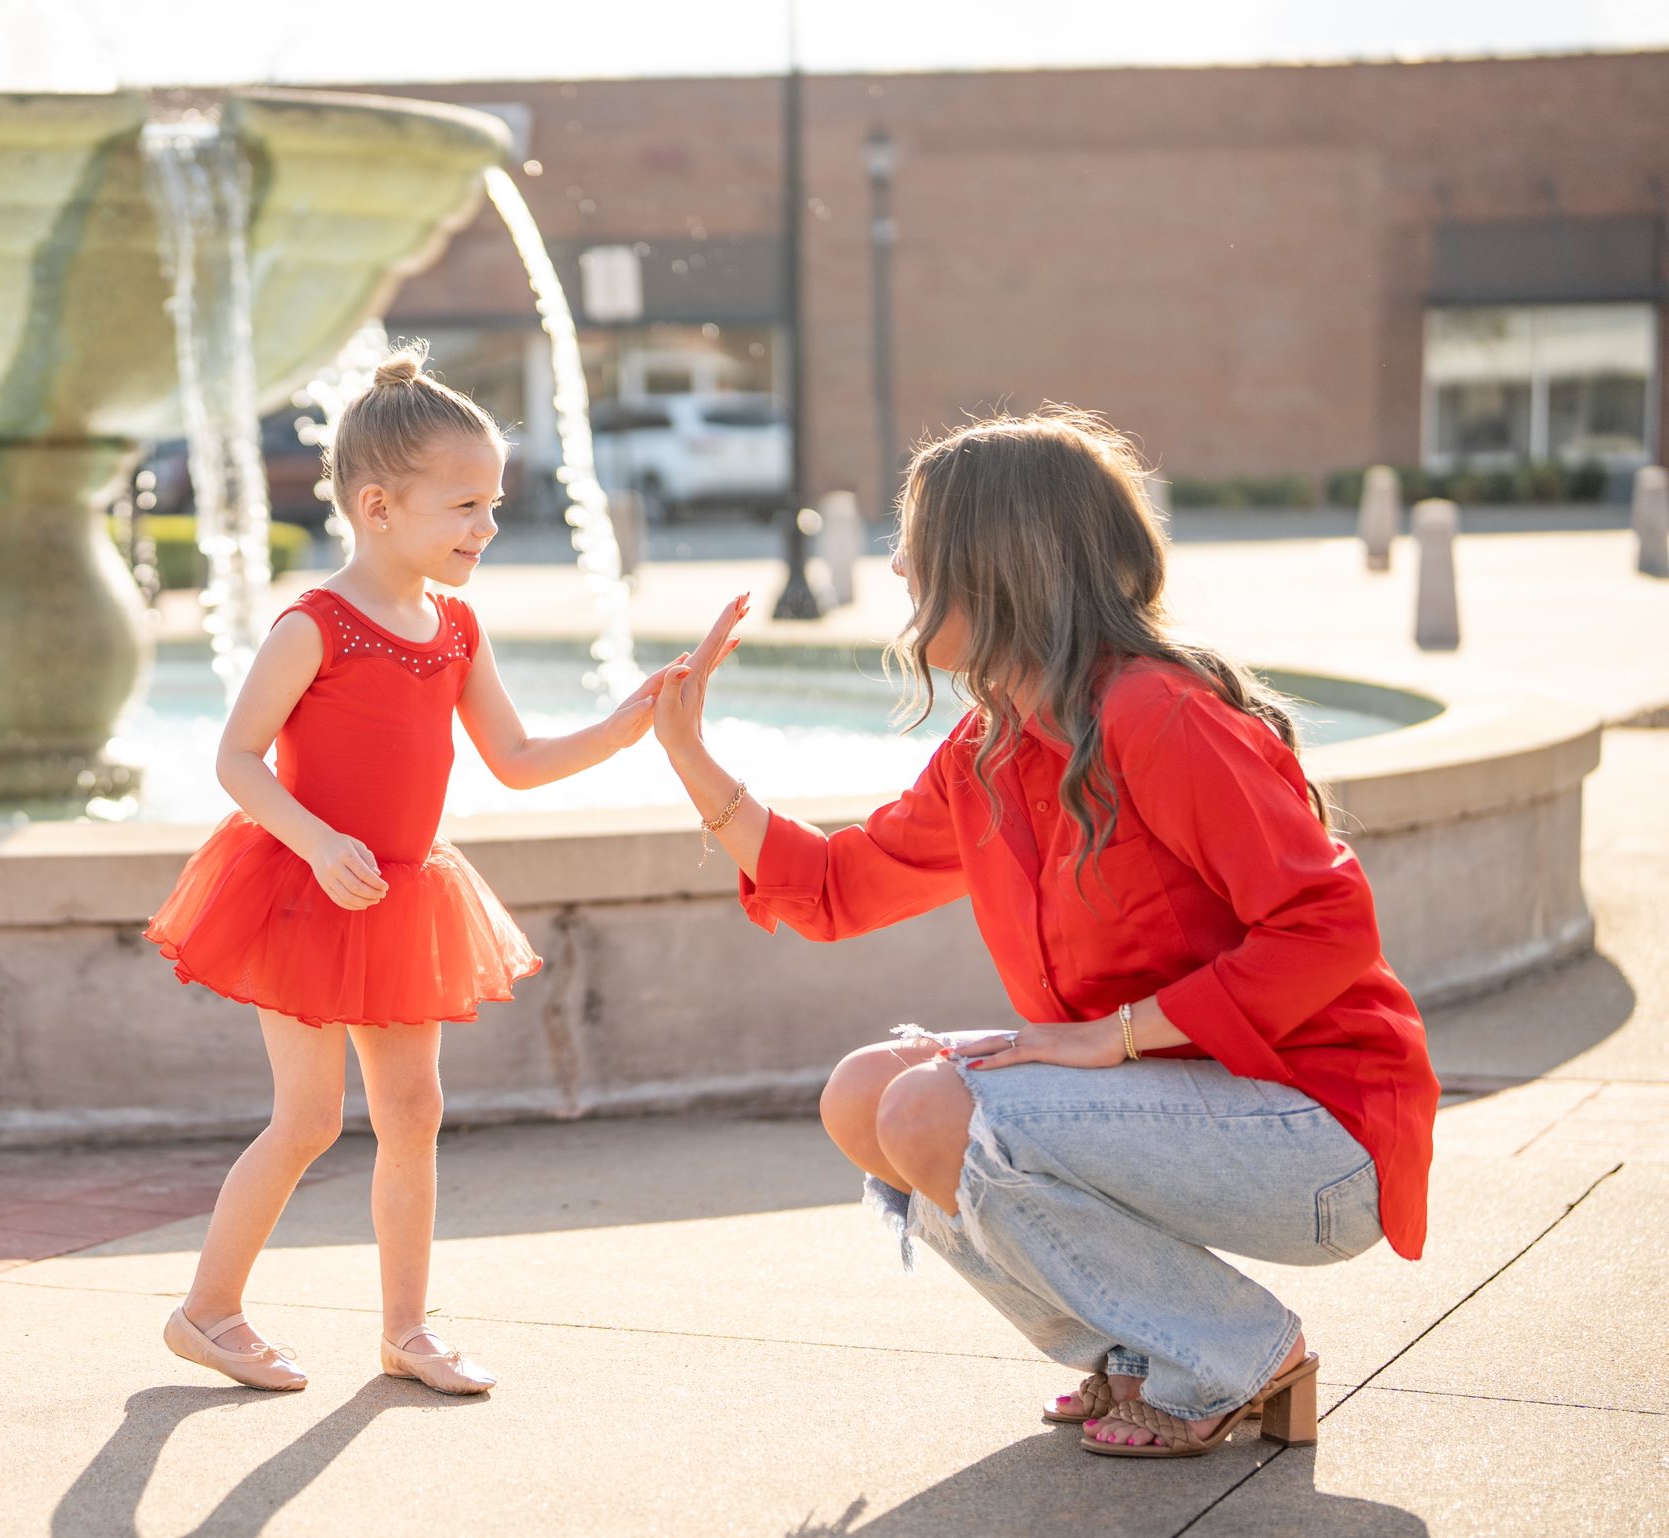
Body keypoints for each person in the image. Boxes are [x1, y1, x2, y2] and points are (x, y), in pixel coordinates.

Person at [650, 409, 1439, 1458]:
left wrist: (1108, 1035)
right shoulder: (992, 746)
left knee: (935, 1106)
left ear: (993, 569)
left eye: (915, 549)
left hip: (1319, 1135)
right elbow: (836, 887)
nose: (891, 564)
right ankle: (1131, 1351)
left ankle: (1232, 1351)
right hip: (1181, 1110)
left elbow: (1326, 929)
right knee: (862, 1093)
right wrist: (685, 749)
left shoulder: (1155, 712)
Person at [146, 345, 692, 1395]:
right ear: (377, 505)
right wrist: (314, 838)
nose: (485, 527)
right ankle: (206, 1309)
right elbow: (234, 758)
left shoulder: (454, 628)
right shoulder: (317, 625)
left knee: (413, 1111)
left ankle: (406, 1328)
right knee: (306, 1117)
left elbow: (518, 760)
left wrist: (628, 725)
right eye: (465, 507)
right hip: (307, 889)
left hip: (404, 892)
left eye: (491, 504)